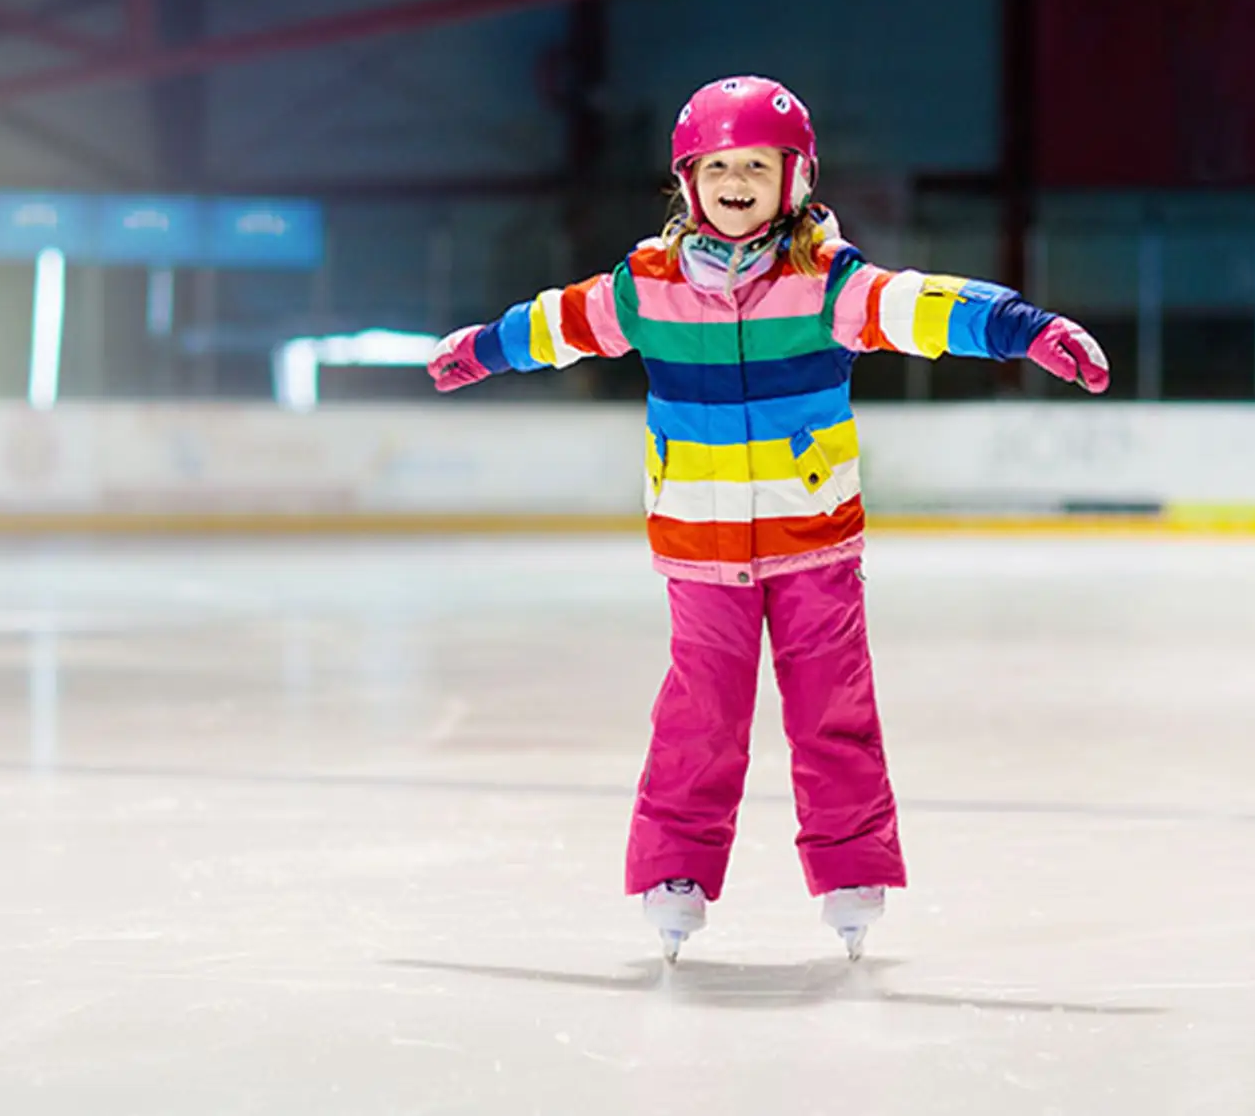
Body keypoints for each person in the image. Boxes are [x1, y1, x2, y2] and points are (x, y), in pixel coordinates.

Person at [427, 76, 1109, 960]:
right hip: (700, 549)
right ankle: (675, 870)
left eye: (756, 165)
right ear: (687, 182)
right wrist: (484, 348)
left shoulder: (829, 286)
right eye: (716, 168)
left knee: (833, 711)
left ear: (796, 178)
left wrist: (1024, 327)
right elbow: (560, 323)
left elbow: (926, 306)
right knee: (699, 717)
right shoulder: (647, 288)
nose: (735, 182)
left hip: (814, 544)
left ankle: (851, 869)